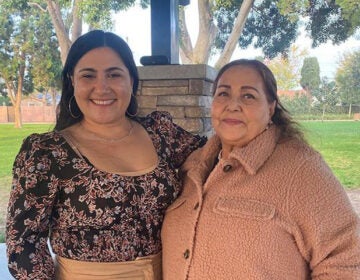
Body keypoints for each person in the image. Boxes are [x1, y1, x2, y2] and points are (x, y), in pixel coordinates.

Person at [6, 29, 205, 280]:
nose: (102, 87)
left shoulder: (160, 133)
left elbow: (215, 162)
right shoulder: (47, 153)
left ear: (131, 81)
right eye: (88, 75)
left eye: (114, 74)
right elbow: (23, 242)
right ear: (72, 81)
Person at [161, 59, 360, 279]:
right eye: (223, 93)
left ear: (271, 107)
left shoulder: (301, 169)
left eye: (248, 96)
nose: (232, 105)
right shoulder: (192, 166)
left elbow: (346, 262)